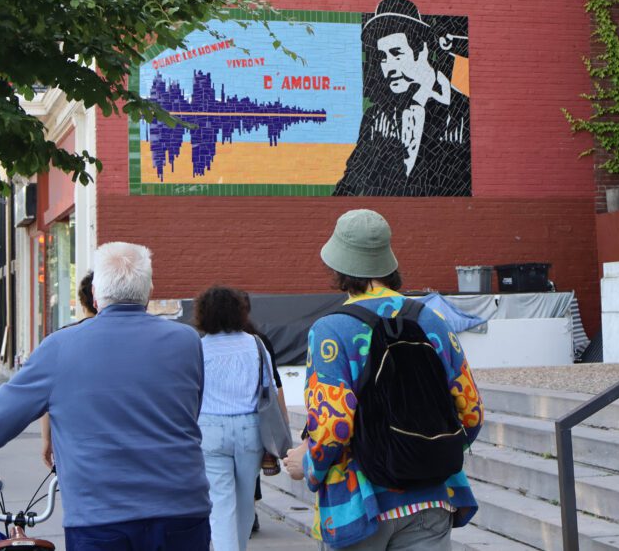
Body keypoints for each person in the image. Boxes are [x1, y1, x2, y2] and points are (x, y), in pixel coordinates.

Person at [0, 243, 211, 551]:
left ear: (95, 295)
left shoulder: (60, 347)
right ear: (149, 293)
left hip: (100, 517)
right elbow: (191, 409)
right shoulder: (186, 342)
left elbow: (3, 411)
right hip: (182, 511)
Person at [283, 209, 484, 550]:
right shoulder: (432, 320)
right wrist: (420, 452)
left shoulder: (330, 330)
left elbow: (333, 427)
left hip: (361, 505)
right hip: (432, 496)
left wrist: (307, 463)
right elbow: (471, 413)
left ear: (338, 267)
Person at [333, 0, 471, 197]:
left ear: (422, 50)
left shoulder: (463, 114)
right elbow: (352, 182)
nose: (389, 67)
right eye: (383, 57)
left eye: (397, 54)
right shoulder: (375, 118)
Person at [195, 286, 275, 551]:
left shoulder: (198, 347)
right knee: (245, 505)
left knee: (220, 506)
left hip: (209, 429)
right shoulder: (256, 344)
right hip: (250, 428)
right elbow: (269, 390)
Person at [237, 291, 286, 535]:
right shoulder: (260, 340)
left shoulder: (210, 340)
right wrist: (283, 422)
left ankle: (242, 511)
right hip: (255, 415)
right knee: (250, 469)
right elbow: (275, 383)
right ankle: (250, 509)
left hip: (226, 418)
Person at [39, 270, 98, 468]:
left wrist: (47, 438)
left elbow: (46, 394)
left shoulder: (61, 340)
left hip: (75, 439)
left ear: (83, 303)